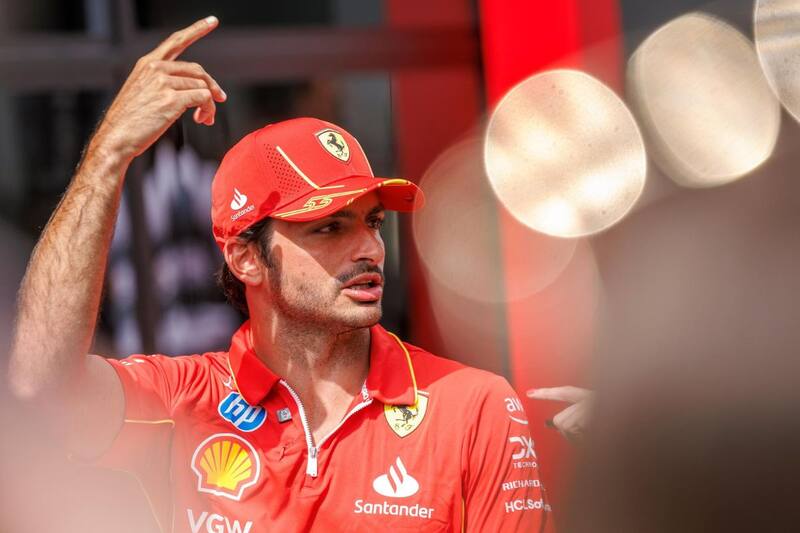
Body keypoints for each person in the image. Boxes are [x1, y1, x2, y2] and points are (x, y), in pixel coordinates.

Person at [8, 17, 554, 533]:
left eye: (373, 222)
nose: (370, 247)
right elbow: (40, 383)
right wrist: (108, 154)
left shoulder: (475, 405)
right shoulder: (182, 401)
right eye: (329, 227)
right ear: (247, 259)